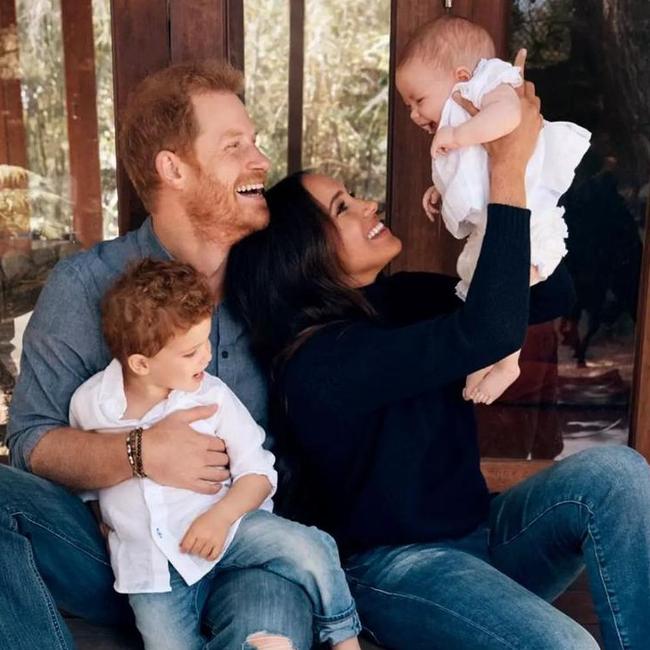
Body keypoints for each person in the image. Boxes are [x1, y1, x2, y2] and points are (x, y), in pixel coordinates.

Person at [227, 67, 650, 649]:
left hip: (484, 538)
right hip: (398, 572)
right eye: (343, 206)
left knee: (619, 474)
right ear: (302, 255)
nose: (368, 204)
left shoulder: (399, 299)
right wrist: (502, 165)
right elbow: (485, 333)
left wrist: (509, 183)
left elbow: (551, 294)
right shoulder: (319, 363)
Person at [2, 61, 316, 650]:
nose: (260, 161)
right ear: (173, 168)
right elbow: (30, 442)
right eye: (234, 146)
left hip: (244, 547)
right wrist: (139, 453)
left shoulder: (276, 282)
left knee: (271, 634)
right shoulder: (86, 285)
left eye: (254, 142)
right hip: (119, 555)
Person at [69, 258, 361, 650]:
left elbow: (258, 473)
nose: (205, 357)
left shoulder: (212, 396)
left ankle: (344, 638)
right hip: (152, 569)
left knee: (313, 547)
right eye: (189, 353)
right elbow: (86, 482)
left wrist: (220, 519)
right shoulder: (91, 405)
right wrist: (104, 523)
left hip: (231, 529)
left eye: (205, 341)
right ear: (140, 363)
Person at [395, 16, 591, 405]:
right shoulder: (462, 115)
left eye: (419, 100)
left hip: (529, 217)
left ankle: (507, 362)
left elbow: (509, 118)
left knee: (507, 286)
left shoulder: (491, 85)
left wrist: (457, 134)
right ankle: (486, 355)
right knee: (478, 284)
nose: (415, 115)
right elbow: (474, 171)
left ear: (462, 75)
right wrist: (440, 189)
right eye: (408, 107)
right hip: (497, 220)